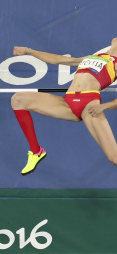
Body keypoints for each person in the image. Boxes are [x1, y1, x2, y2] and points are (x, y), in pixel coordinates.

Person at [11, 38, 117, 175]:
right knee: (18, 99)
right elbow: (56, 59)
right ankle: (36, 152)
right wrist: (29, 51)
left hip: (89, 106)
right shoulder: (92, 57)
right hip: (68, 103)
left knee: (114, 157)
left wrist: (105, 106)